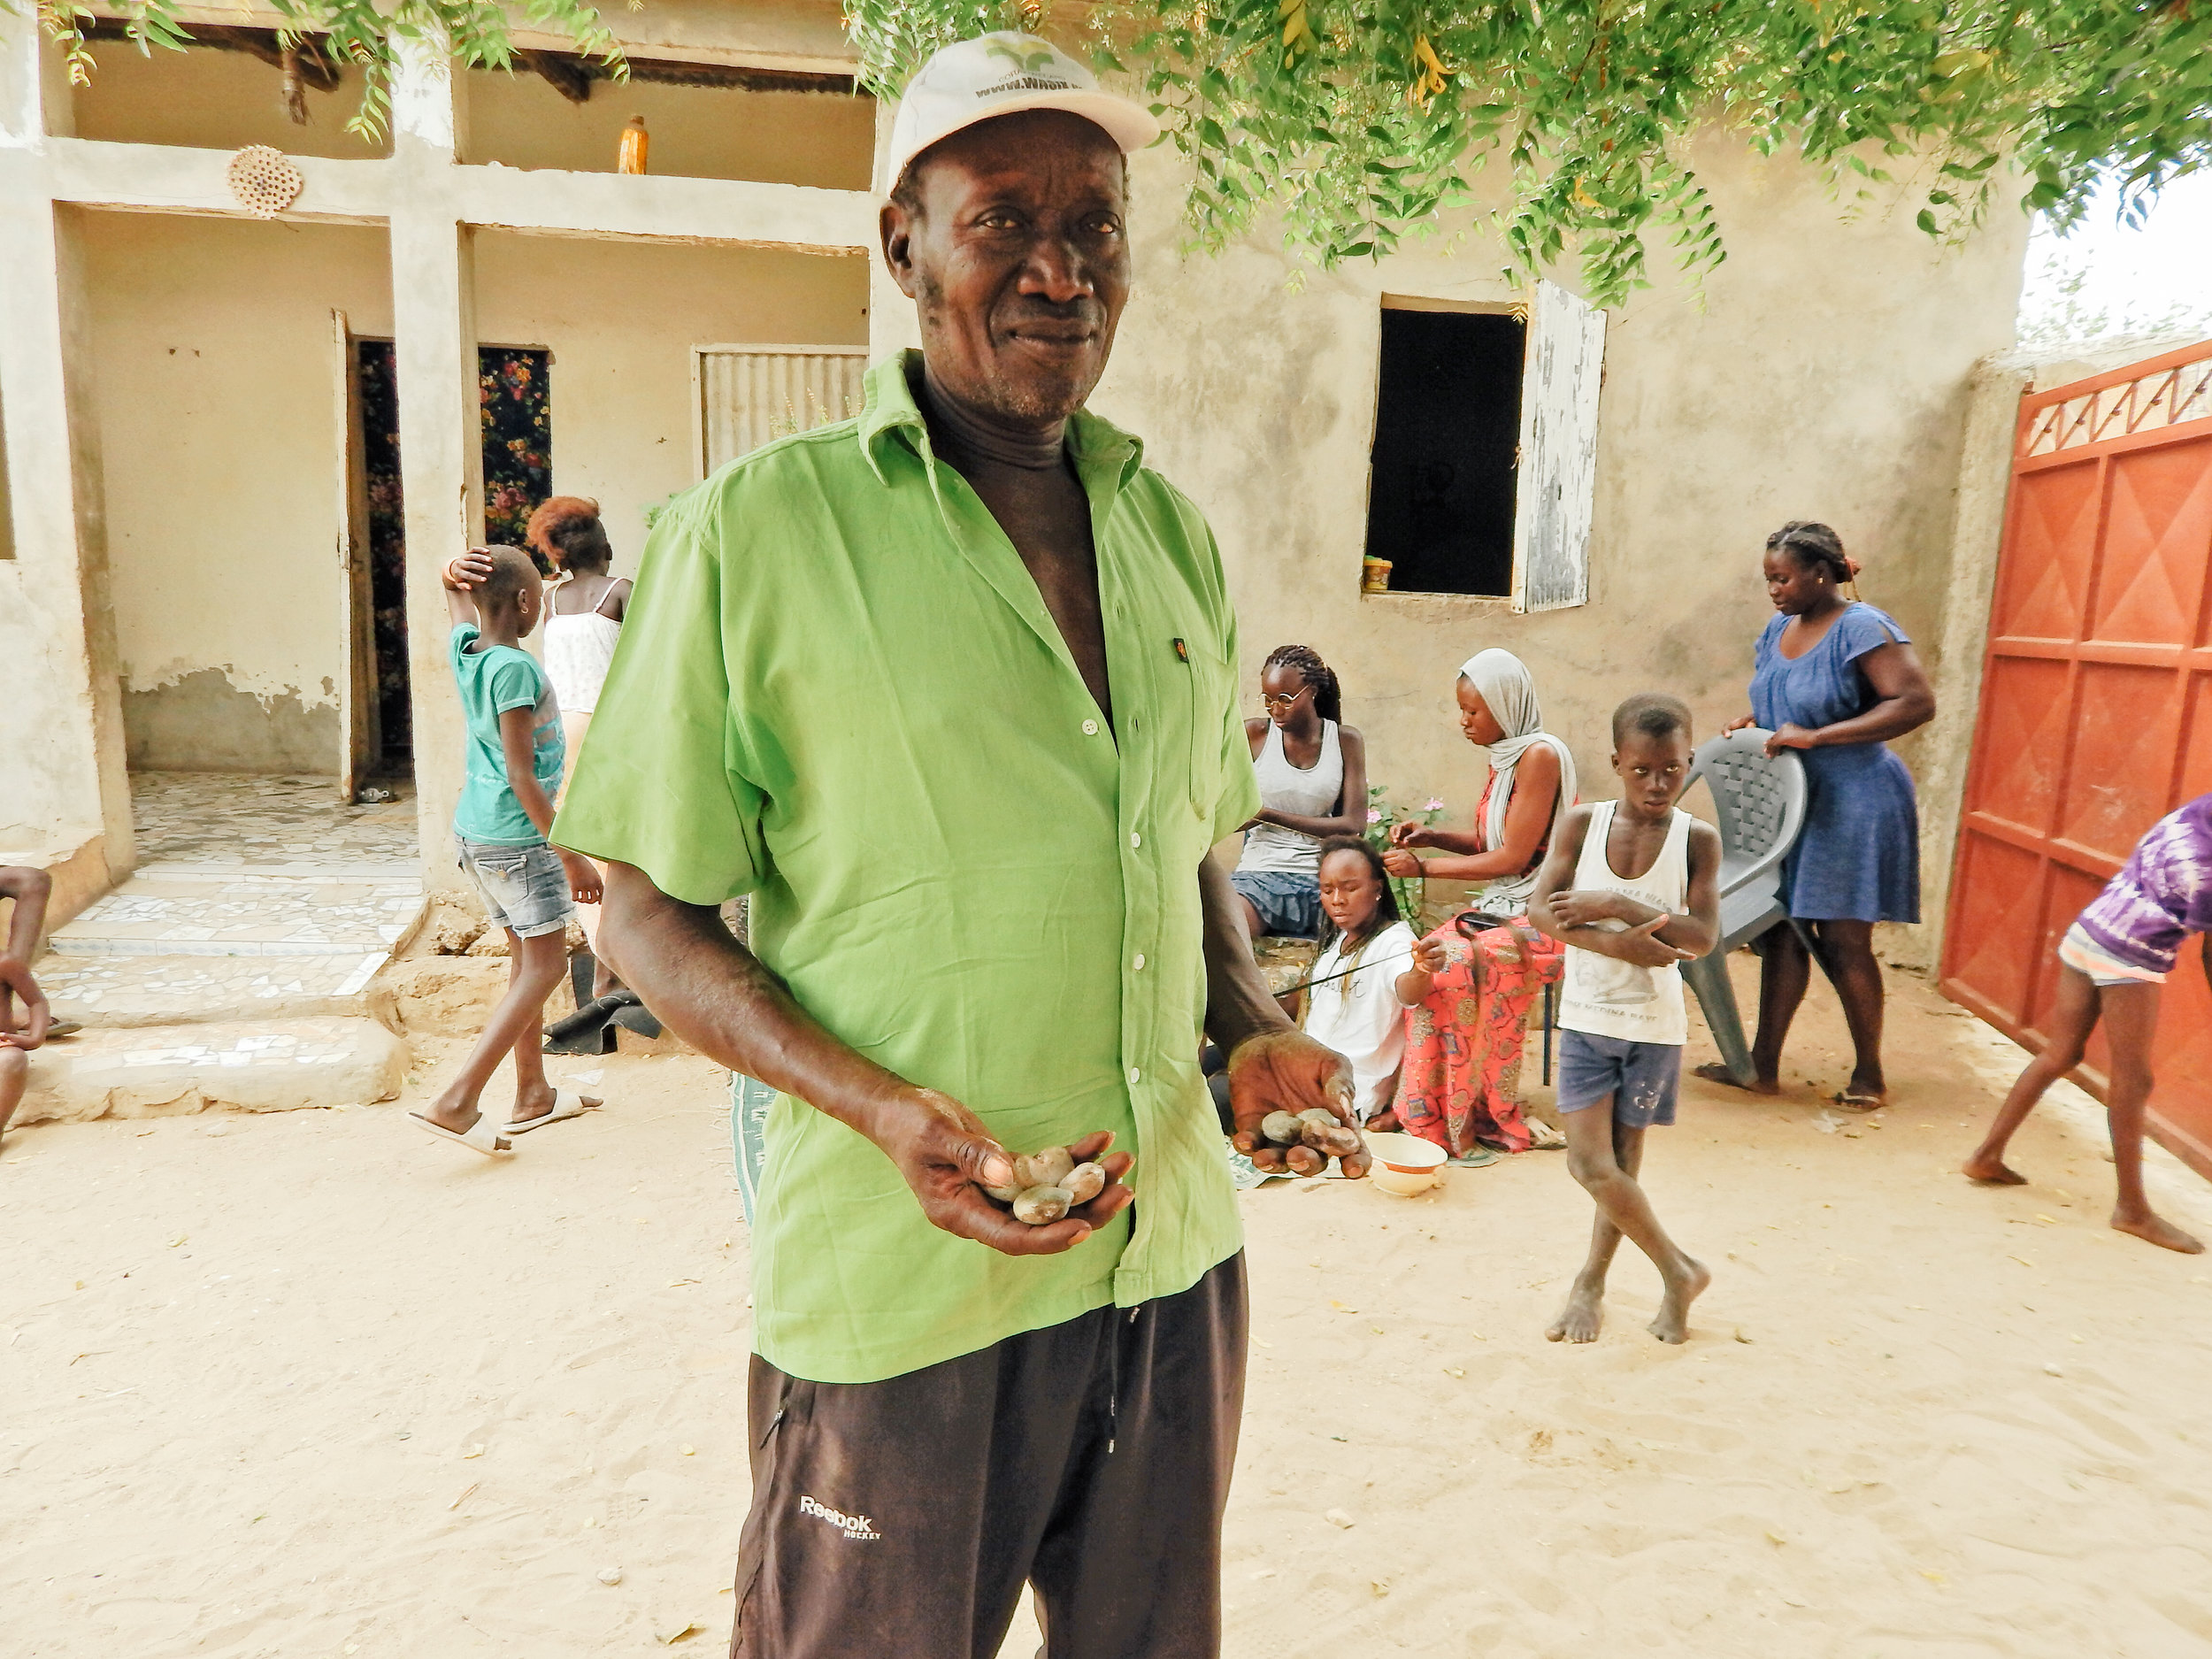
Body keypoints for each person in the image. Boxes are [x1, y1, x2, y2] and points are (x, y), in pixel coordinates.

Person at [549, 34, 1365, 1659]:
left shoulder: (1168, 534)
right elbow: (634, 909)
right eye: (1003, 221)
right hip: (903, 1293)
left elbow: (1181, 845)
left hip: (1169, 1258)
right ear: (903, 244)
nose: (1061, 271)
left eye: (1098, 226)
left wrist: (1252, 1027)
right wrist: (875, 1109)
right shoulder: (757, 534)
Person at [1700, 522, 1934, 1109]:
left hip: (1856, 799)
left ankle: (1870, 1075)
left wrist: (1819, 736)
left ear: (1821, 572)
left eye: (1782, 577)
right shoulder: (1780, 628)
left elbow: (1915, 702)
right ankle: (1761, 1065)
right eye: (1768, 579)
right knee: (1781, 932)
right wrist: (1748, 721)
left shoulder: (1861, 628)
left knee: (1844, 938)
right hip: (1796, 800)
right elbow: (1782, 701)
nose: (1773, 590)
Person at [1526, 694, 1722, 1345]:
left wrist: (1617, 902)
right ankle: (1678, 1268)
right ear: (1618, 763)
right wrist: (1615, 943)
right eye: (1643, 770)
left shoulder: (1697, 840)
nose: (1658, 784)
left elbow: (1701, 938)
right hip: (1586, 1016)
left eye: (1672, 768)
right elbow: (1542, 911)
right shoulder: (1583, 826)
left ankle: (1592, 1283)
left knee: (1623, 1166)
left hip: (1652, 1027)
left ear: (1688, 760)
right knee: (1588, 1164)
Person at [410, 546, 603, 1156]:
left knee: (524, 963)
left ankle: (531, 1093)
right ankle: (459, 1099)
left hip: (480, 833)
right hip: (522, 838)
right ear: (523, 603)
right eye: (539, 599)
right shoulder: (516, 670)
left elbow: (455, 608)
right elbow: (523, 774)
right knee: (546, 967)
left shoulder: (467, 650)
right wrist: (570, 853)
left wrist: (449, 576)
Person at [1962, 796, 2209, 1253]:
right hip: (2129, 956)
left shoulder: (2194, 814)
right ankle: (2132, 1210)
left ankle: (1986, 1155)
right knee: (2133, 1080)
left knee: (2061, 1053)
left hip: (2088, 932)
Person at [1383, 648, 1577, 1157]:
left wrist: (1424, 868)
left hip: (1545, 913)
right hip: (1507, 903)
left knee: (1472, 962)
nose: (1464, 721)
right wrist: (1432, 838)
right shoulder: (1508, 756)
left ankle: (1482, 1108)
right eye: (1462, 710)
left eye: (1474, 711)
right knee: (1430, 960)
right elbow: (1491, 844)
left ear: (1505, 706)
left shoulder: (1540, 756)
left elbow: (1511, 857)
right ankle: (1430, 1109)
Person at [529, 495, 632, 1002]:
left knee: (581, 838)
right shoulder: (620, 591)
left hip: (555, 729)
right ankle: (620, 967)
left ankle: (603, 963)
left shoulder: (549, 600)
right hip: (605, 728)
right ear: (605, 547)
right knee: (619, 844)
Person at [1228, 645, 1368, 941]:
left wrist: (1267, 814)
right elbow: (1227, 813)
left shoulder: (1344, 741)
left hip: (1324, 880)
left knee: (1364, 949)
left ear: (1313, 691)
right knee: (1226, 938)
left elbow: (1354, 824)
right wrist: (1241, 814)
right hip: (1258, 875)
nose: (1275, 709)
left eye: (1285, 699)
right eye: (1268, 700)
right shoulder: (1253, 735)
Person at [1, 864, 56, 1145]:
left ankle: (7, 1011)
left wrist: (35, 1037)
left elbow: (37, 1001)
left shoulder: (4, 963)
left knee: (11, 1060)